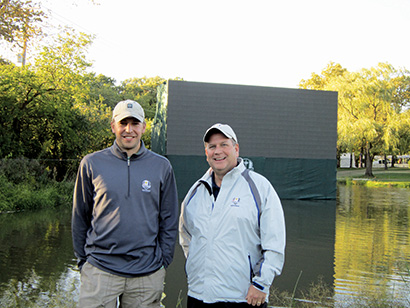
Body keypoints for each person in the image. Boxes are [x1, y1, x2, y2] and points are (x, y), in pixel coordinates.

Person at [72, 99, 179, 308]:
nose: (128, 130)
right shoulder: (91, 163)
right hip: (100, 271)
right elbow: (80, 217)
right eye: (123, 123)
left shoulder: (161, 166)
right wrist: (84, 262)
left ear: (144, 127)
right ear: (113, 126)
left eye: (135, 123)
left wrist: (163, 260)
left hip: (146, 274)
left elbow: (169, 219)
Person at [179, 123, 286, 308]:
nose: (217, 151)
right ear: (206, 153)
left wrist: (262, 283)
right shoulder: (195, 191)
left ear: (236, 149)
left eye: (224, 145)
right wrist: (198, 267)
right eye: (212, 147)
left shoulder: (260, 187)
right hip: (198, 295)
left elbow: (275, 243)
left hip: (244, 297)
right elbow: (186, 236)